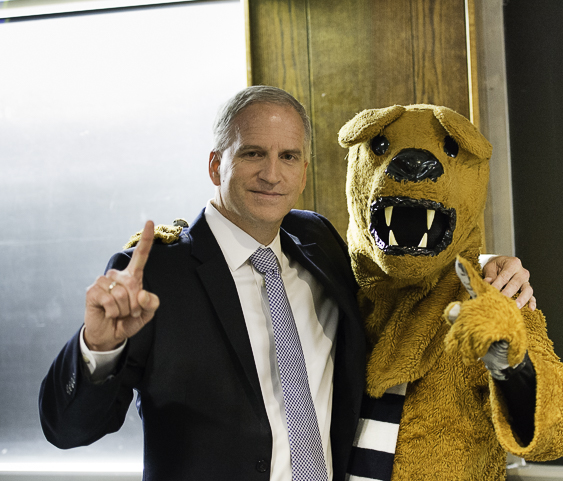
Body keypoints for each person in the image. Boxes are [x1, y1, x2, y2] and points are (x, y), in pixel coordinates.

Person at [39, 86, 535, 480]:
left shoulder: (316, 241)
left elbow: (391, 281)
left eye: (289, 157)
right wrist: (97, 350)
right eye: (253, 153)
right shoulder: (152, 276)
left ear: (303, 172)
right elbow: (69, 429)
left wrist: (483, 265)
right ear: (217, 165)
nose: (271, 174)